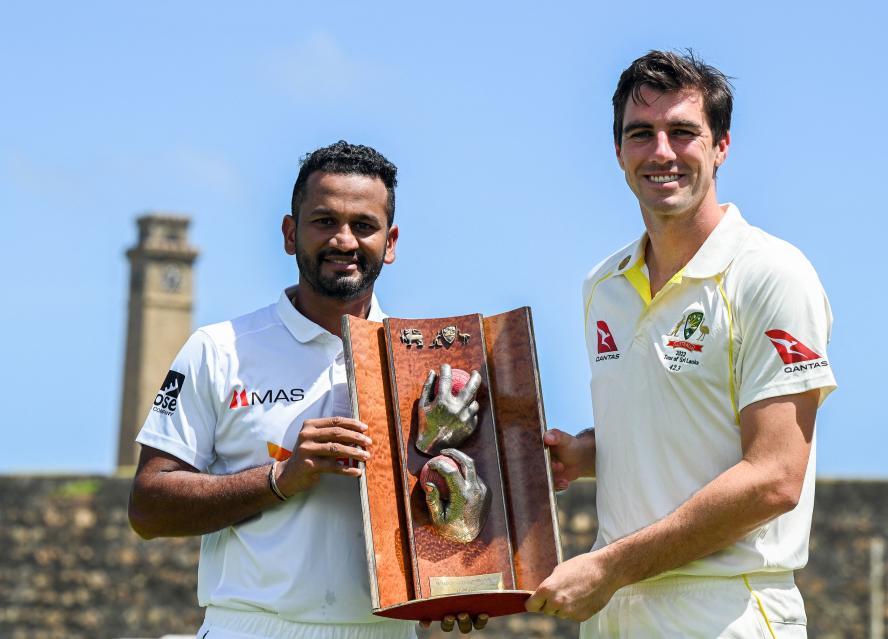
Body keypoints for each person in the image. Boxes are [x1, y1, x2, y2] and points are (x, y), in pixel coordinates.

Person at [526, 50, 836, 638]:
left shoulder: (772, 274)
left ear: (720, 146)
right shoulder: (604, 285)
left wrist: (610, 566)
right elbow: (677, 426)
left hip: (726, 609)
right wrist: (591, 453)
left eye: (683, 132)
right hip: (616, 611)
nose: (661, 152)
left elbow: (774, 478)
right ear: (618, 151)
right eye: (641, 134)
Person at [129, 141, 485, 638]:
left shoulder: (426, 364)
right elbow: (149, 507)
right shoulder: (219, 348)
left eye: (364, 225)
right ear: (290, 233)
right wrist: (281, 477)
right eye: (324, 221)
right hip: (251, 627)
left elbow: (463, 503)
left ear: (392, 241)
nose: (344, 240)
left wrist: (461, 582)